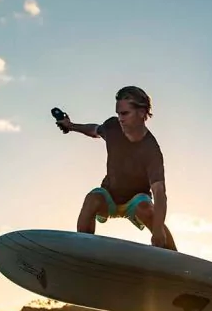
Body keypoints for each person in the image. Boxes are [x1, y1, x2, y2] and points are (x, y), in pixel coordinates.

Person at [55, 85, 177, 250]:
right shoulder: (113, 127)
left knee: (149, 212)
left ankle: (176, 261)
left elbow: (160, 193)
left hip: (136, 201)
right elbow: (94, 130)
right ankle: (83, 253)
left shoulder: (151, 149)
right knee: (92, 200)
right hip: (109, 196)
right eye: (118, 113)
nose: (120, 118)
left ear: (142, 113)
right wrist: (71, 125)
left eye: (125, 113)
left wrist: (157, 231)